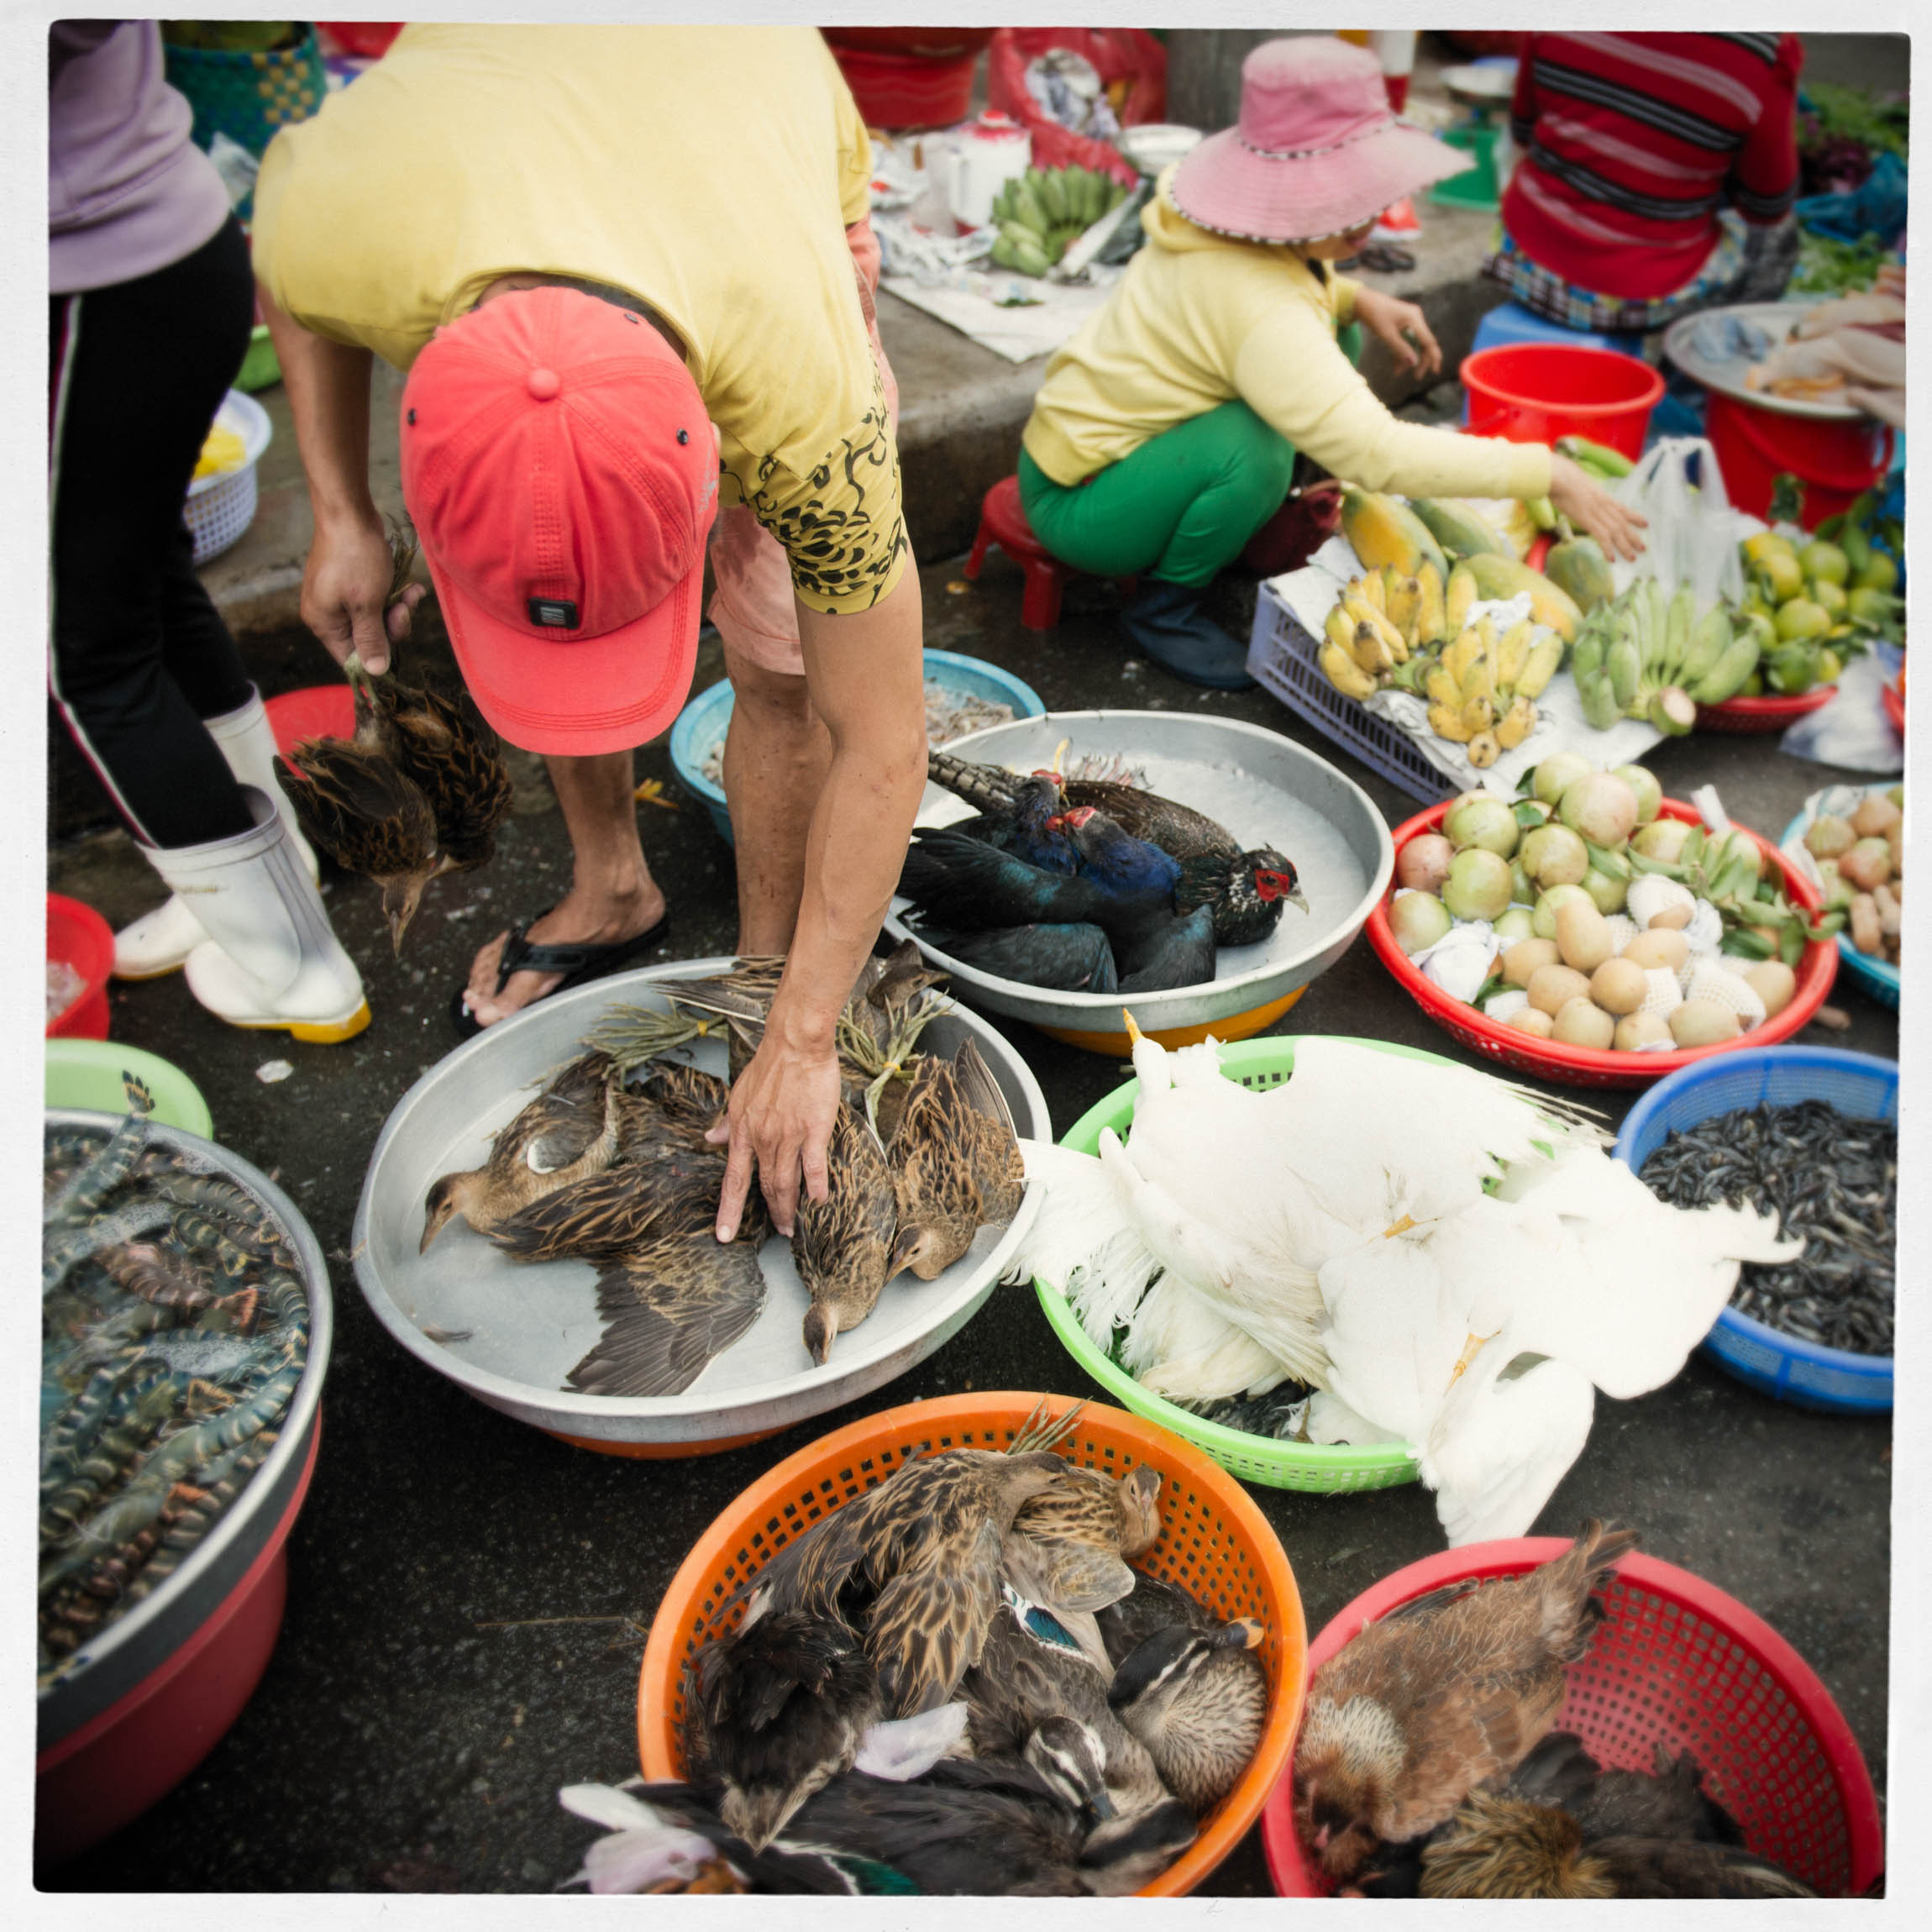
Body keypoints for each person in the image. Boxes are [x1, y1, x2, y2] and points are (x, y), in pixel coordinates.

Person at [251, 24, 927, 1242]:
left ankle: (759, 992)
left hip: (760, 147)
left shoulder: (805, 405)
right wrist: (342, 510)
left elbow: (880, 736)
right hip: (509, 119)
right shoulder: (338, 218)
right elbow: (295, 296)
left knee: (785, 667)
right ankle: (613, 885)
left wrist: (808, 1031)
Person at [1019, 38, 1645, 691]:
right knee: (1252, 447)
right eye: (1341, 200)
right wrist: (1546, 474)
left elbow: (1262, 309)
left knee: (1327, 347)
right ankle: (1163, 609)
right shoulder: (1259, 306)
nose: (1368, 218)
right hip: (1081, 502)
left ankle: (1242, 523)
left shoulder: (1224, 228)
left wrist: (1357, 297)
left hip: (1111, 456)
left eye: (1368, 192)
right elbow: (1376, 454)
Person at [50, 19, 367, 1042]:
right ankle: (263, 865)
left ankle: (293, 964)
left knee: (80, 653)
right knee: (145, 572)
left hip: (85, 280)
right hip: (171, 245)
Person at [1487, 32, 1806, 335]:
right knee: (1778, 236)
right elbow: (1767, 206)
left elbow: (1523, 130)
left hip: (1523, 260)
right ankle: (1684, 376)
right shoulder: (1763, 53)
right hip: (1636, 300)